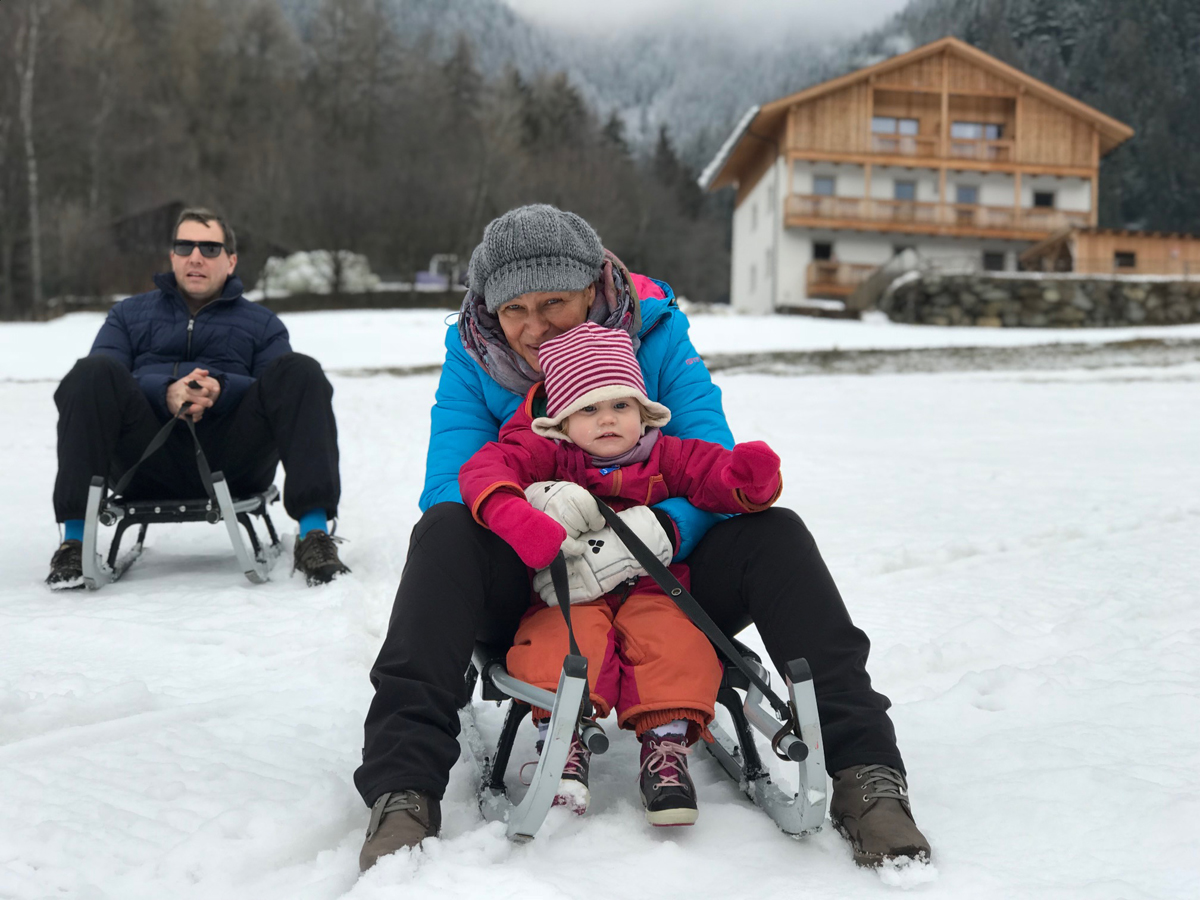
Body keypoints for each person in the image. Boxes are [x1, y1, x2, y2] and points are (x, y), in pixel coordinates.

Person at [356, 204, 930, 870]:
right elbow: (451, 481)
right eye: (514, 310)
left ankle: (867, 773)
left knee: (776, 534)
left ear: (596, 287)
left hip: (670, 577)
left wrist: (657, 529)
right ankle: (403, 788)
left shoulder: (655, 333)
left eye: (554, 303)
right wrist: (538, 515)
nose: (534, 328)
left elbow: (709, 457)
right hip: (543, 579)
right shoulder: (473, 352)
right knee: (444, 530)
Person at [459, 321, 784, 826]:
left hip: (654, 587)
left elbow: (715, 475)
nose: (607, 419)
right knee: (562, 643)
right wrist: (515, 514)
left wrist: (747, 480)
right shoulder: (546, 454)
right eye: (588, 409)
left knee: (675, 642)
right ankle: (561, 740)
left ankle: (667, 749)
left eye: (620, 406)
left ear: (642, 412)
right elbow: (485, 469)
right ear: (563, 422)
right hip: (569, 590)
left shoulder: (667, 454)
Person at [46, 207, 349, 589]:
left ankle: (314, 535)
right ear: (172, 256)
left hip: (233, 456)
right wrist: (165, 391)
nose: (195, 257)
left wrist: (220, 388)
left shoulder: (263, 324)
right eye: (184, 246)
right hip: (144, 458)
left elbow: (274, 387)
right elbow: (102, 381)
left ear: (231, 260)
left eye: (209, 248)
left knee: (299, 370)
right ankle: (74, 540)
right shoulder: (126, 316)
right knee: (89, 374)